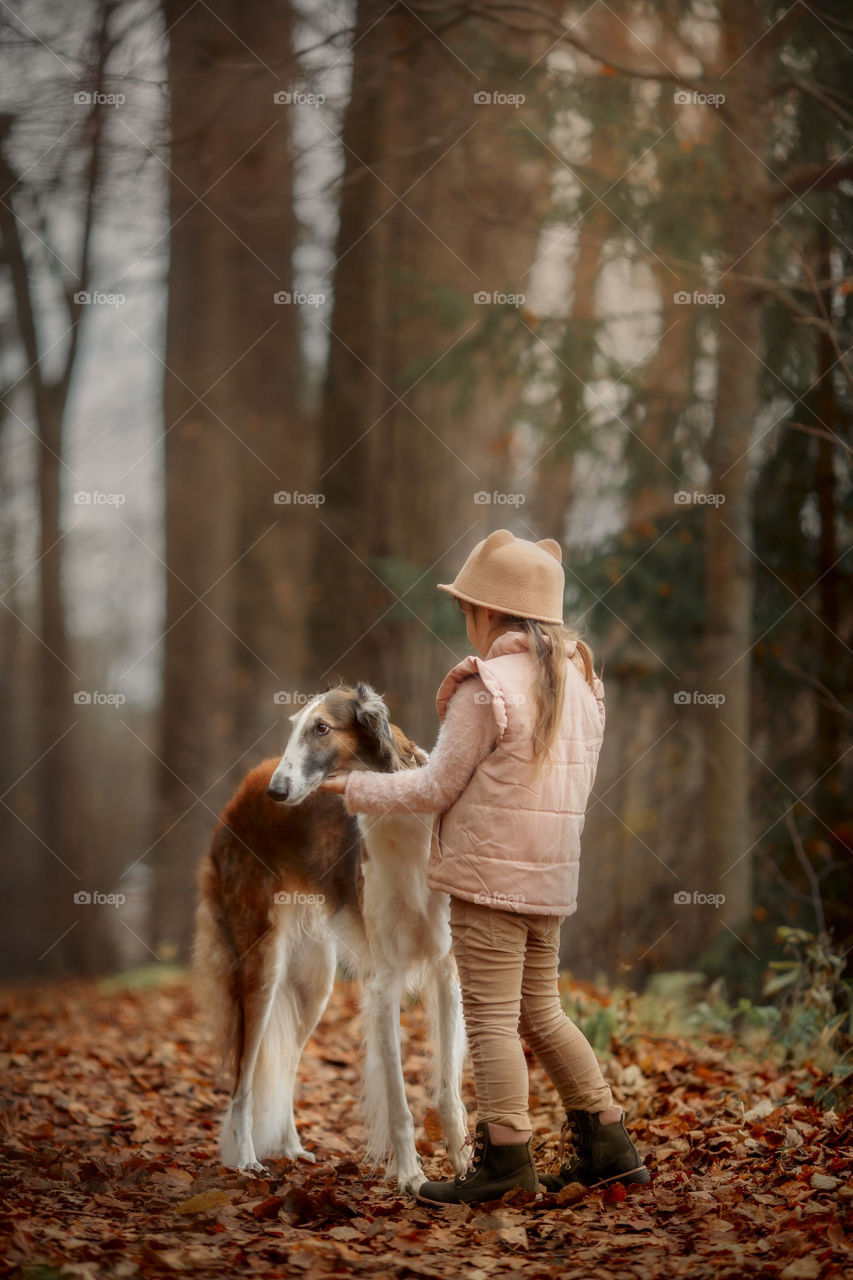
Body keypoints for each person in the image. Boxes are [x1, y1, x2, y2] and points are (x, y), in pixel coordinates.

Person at [319, 530, 648, 1205]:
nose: (463, 616)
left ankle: (503, 1161)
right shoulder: (581, 682)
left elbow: (433, 787)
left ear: (488, 613)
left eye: (467, 605)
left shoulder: (485, 686)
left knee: (492, 1019)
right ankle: (609, 1142)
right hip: (551, 879)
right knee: (540, 1012)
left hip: (487, 881)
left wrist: (348, 789)